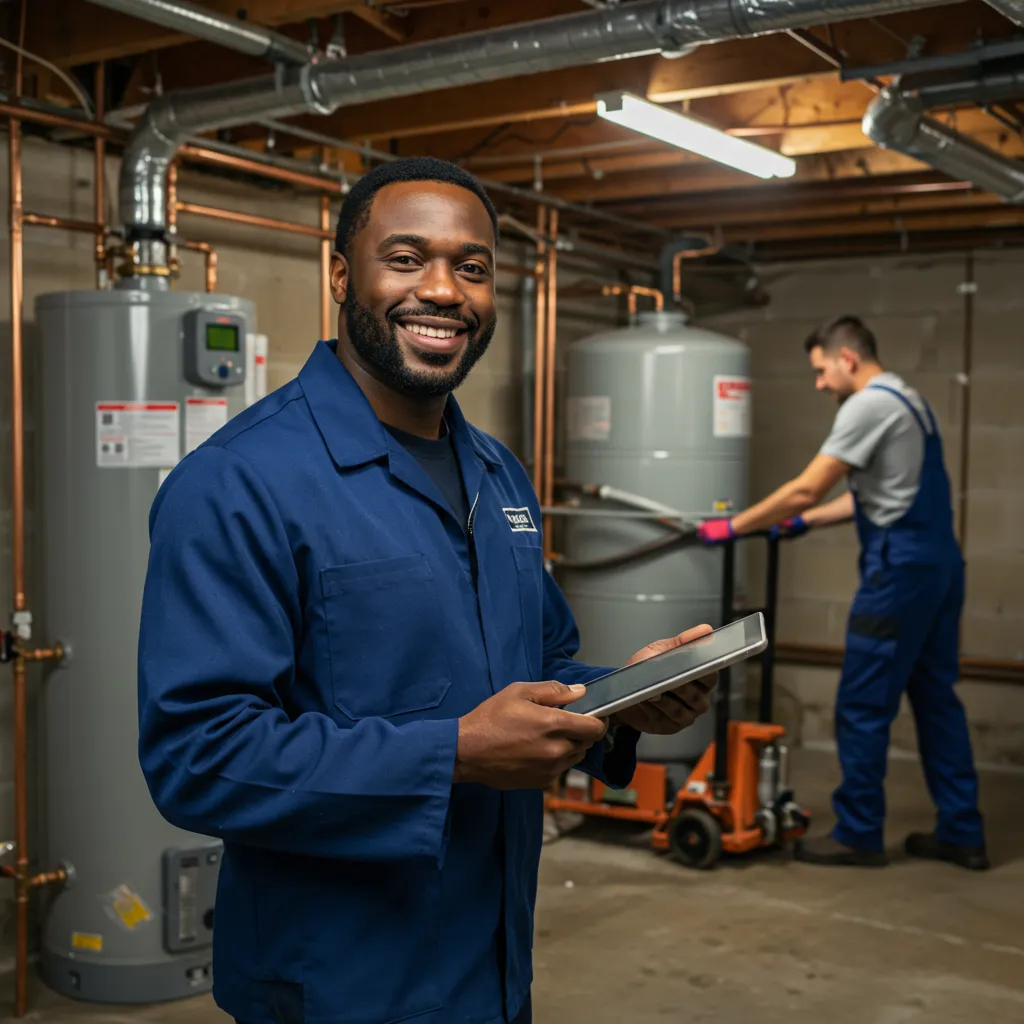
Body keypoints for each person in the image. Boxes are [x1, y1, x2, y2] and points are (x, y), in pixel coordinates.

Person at [138, 156, 717, 1024]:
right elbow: (199, 757)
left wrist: (620, 701)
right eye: (405, 259)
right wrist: (451, 755)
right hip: (338, 982)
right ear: (342, 274)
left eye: (471, 267)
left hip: (490, 965)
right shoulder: (240, 482)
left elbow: (543, 658)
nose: (443, 290)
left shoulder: (497, 473)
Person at [697, 315, 987, 871]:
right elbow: (877, 496)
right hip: (938, 566)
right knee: (935, 701)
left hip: (898, 572)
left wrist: (736, 526)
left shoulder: (867, 406)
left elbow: (807, 486)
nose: (820, 383)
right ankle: (963, 830)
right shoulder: (910, 401)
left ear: (847, 358)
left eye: (821, 370)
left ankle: (858, 832)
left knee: (861, 703)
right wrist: (805, 524)